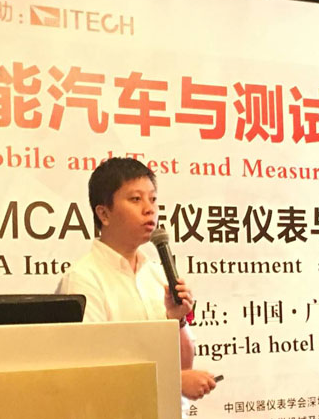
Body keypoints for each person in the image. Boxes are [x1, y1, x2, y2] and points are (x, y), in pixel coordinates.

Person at [57, 157, 217, 409]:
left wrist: (177, 319)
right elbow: (89, 372)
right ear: (104, 213)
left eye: (152, 199)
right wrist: (174, 381)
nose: (149, 209)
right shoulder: (83, 279)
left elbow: (185, 366)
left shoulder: (157, 275)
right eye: (135, 199)